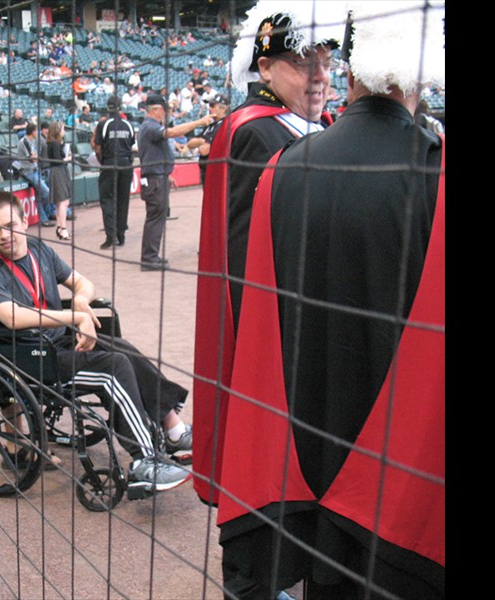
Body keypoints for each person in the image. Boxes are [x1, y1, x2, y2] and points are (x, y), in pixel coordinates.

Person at [218, 3, 444, 598]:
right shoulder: (434, 171)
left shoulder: (285, 168)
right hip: (405, 473)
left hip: (300, 440)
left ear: (348, 71)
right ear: (424, 76)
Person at [191, 1, 344, 504]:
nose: (319, 75)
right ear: (265, 67)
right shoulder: (255, 130)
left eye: (325, 60)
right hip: (275, 320)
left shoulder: (312, 124)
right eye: (303, 61)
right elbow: (247, 254)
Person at [0, 191, 194, 490]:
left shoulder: (39, 250)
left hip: (58, 343)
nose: (3, 235)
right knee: (113, 367)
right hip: (29, 359)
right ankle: (144, 461)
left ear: (25, 222)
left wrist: (80, 303)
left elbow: (81, 282)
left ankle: (173, 429)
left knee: (123, 349)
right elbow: (12, 316)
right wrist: (74, 319)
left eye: (9, 225)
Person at [136, 93, 215, 271]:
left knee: (156, 216)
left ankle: (151, 256)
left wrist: (166, 175)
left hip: (157, 176)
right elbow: (172, 132)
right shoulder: (150, 126)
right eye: (163, 110)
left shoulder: (149, 126)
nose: (165, 113)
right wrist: (199, 123)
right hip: (154, 179)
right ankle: (149, 259)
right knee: (155, 217)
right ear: (155, 110)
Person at [92, 96, 135, 250]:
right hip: (126, 165)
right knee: (123, 200)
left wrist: (104, 163)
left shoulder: (103, 124)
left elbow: (98, 148)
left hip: (110, 163)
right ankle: (121, 235)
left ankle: (111, 236)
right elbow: (131, 145)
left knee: (107, 200)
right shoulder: (128, 125)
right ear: (120, 107)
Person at [14, 123, 53, 226]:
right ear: (33, 131)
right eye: (36, 131)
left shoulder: (32, 141)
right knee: (47, 192)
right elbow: (33, 158)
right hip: (28, 172)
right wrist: (34, 157)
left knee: (40, 197)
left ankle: (44, 220)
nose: (38, 133)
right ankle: (46, 216)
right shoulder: (24, 141)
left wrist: (35, 157)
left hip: (35, 169)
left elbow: (36, 157)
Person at [187, 94, 230, 182]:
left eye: (212, 106)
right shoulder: (210, 125)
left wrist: (200, 143)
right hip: (206, 171)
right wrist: (203, 141)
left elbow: (204, 150)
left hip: (218, 172)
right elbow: (190, 144)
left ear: (223, 108)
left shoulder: (225, 124)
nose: (209, 109)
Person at [45, 121, 73, 242]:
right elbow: (57, 160)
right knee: (64, 201)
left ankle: (60, 227)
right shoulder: (55, 144)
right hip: (58, 171)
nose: (64, 132)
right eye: (62, 129)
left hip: (56, 171)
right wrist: (67, 158)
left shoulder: (53, 143)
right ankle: (63, 228)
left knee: (59, 202)